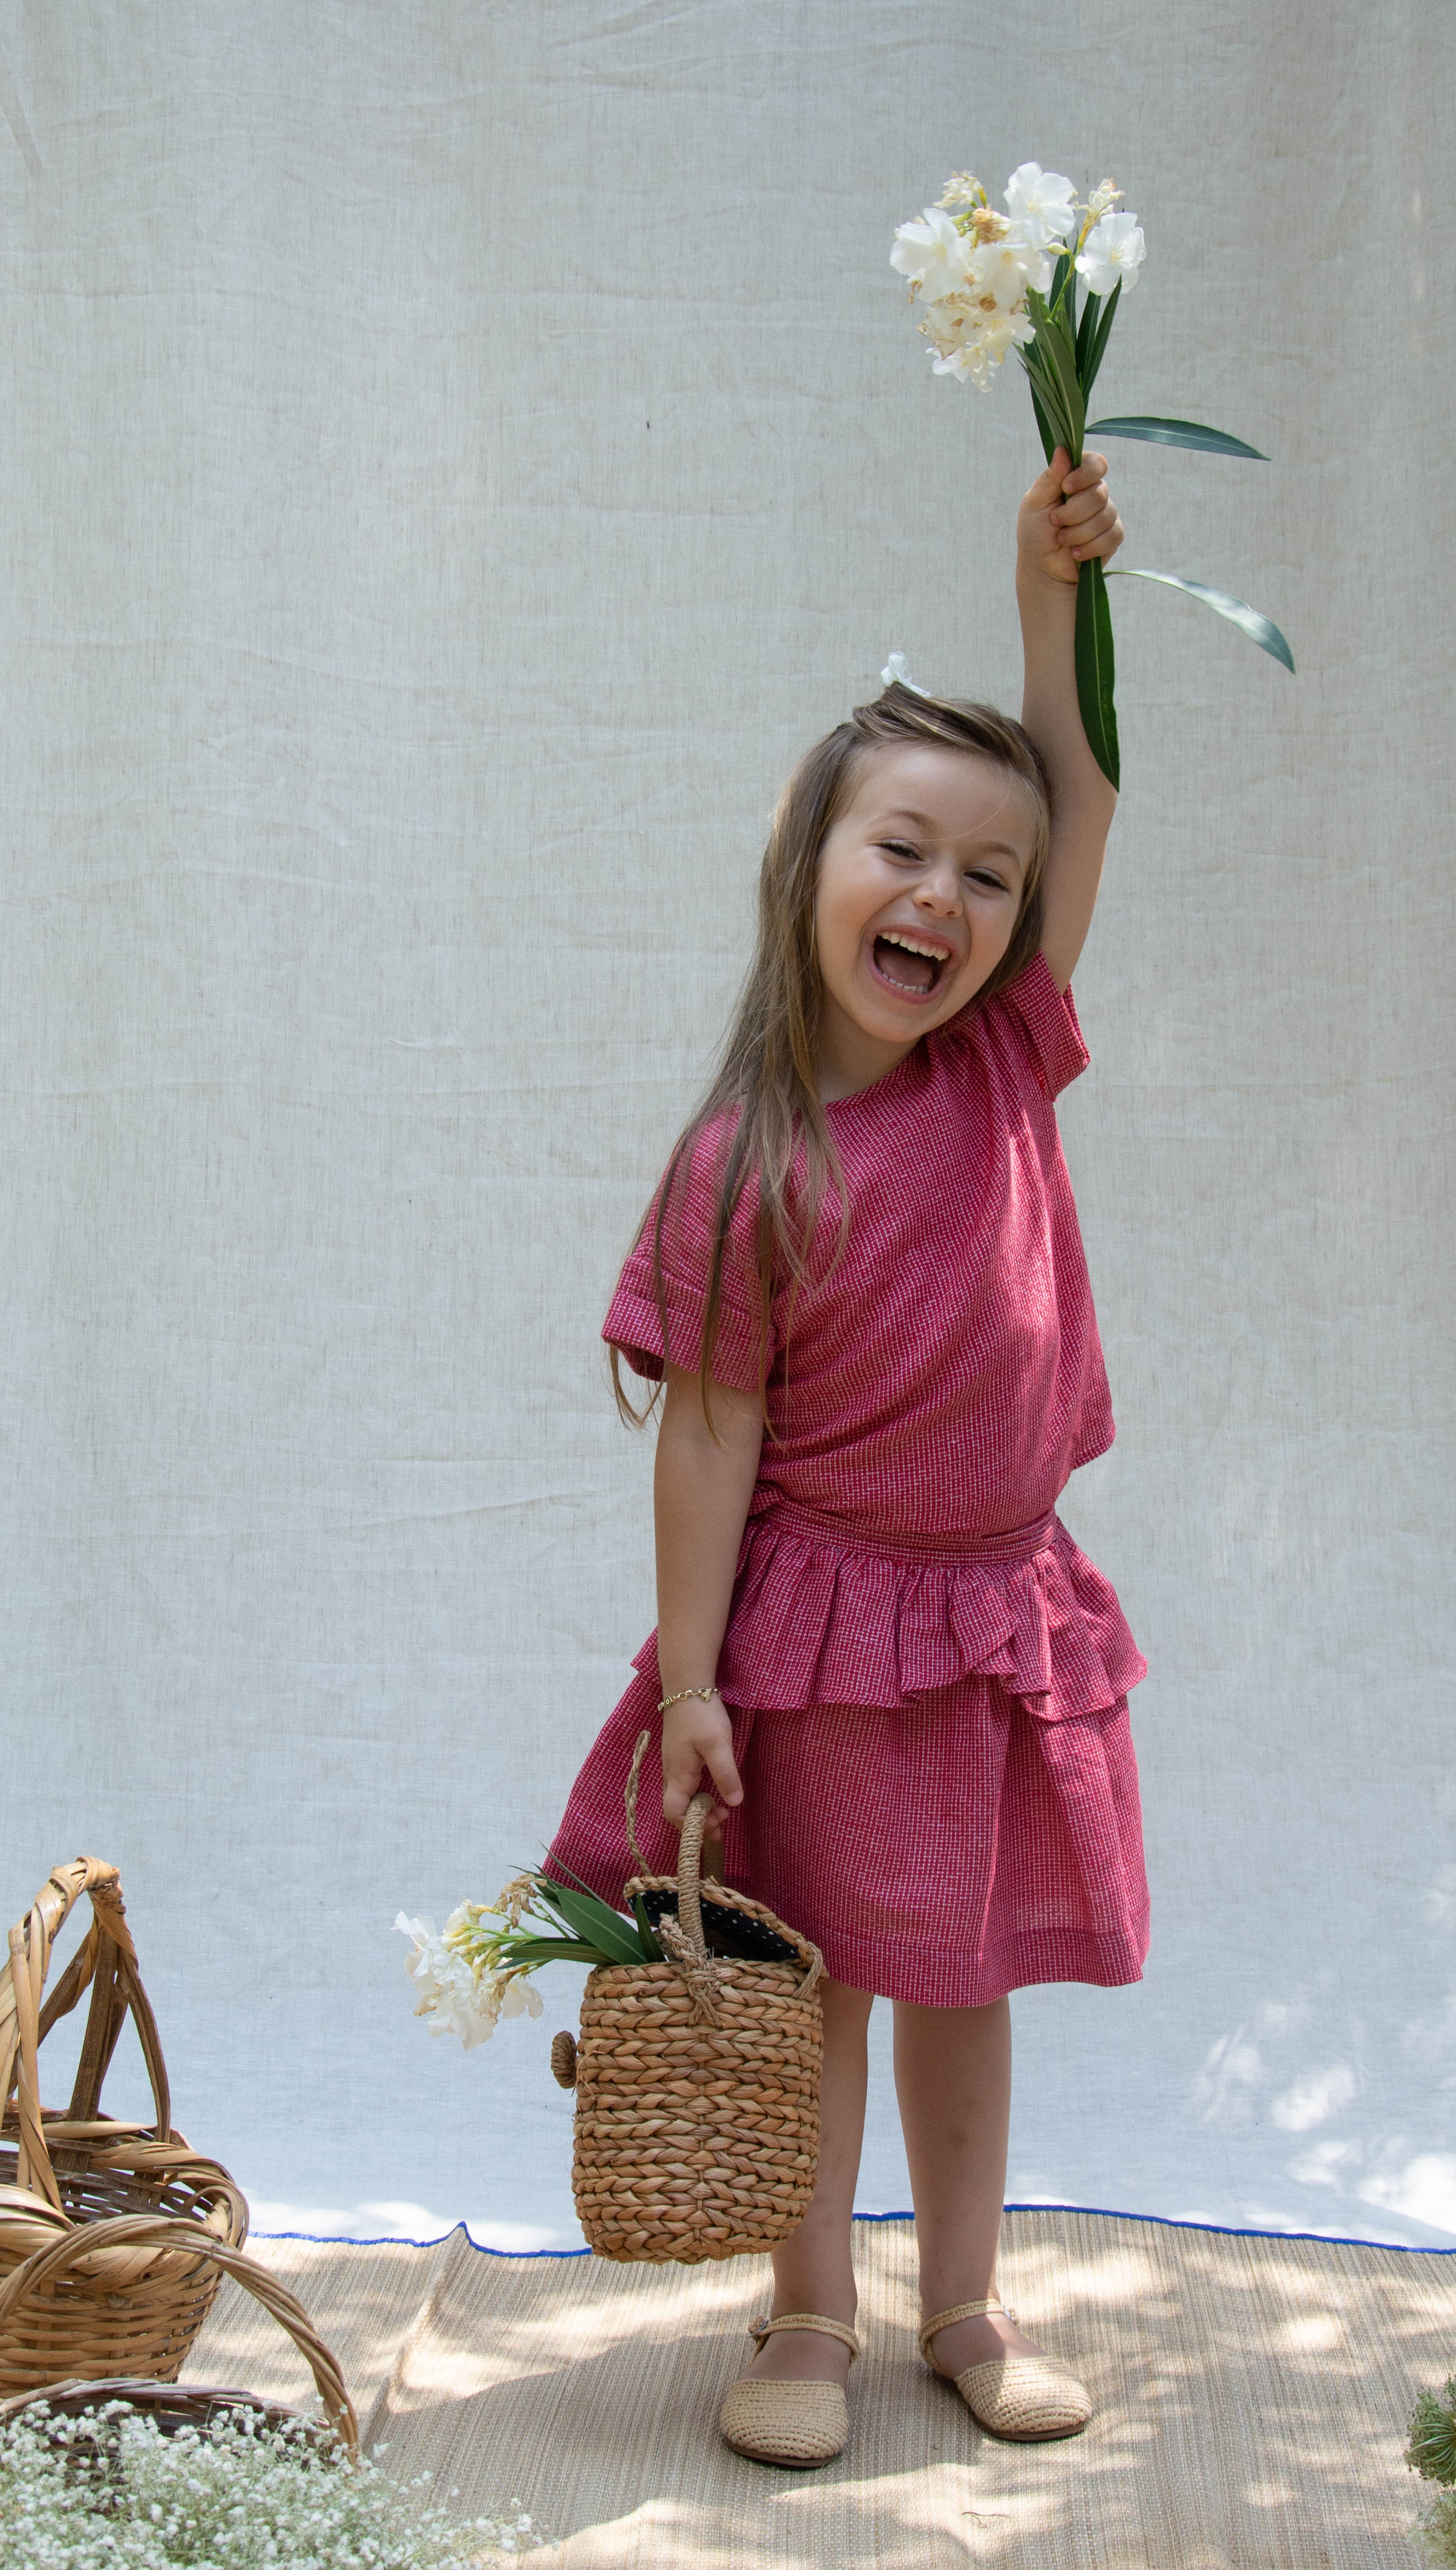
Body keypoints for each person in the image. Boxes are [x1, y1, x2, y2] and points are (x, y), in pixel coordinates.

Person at [546, 446, 1147, 2470]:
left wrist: (1043, 602)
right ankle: (810, 2314)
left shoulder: (1003, 1052)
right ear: (808, 861)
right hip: (817, 1629)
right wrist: (696, 1680)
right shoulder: (750, 1162)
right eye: (905, 849)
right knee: (812, 1994)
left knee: (960, 1981)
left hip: (991, 1608)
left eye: (988, 878)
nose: (949, 901)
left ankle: (962, 2301)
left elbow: (1095, 796)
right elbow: (709, 1430)